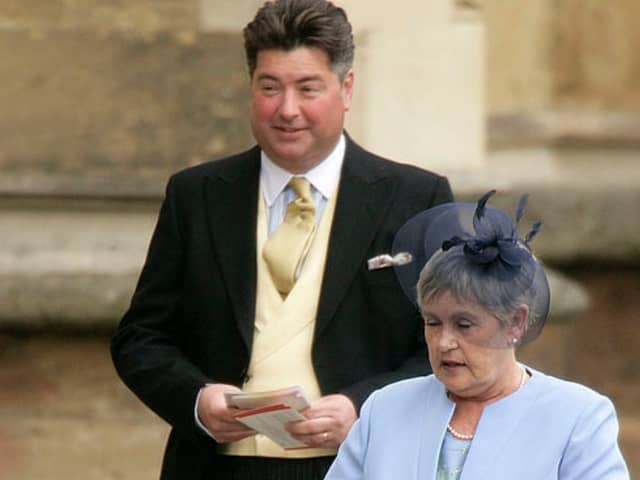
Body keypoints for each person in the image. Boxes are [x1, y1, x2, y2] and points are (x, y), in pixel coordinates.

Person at [110, 0, 453, 478]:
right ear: (251, 88)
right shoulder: (195, 195)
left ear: (346, 88)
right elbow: (141, 339)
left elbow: (452, 343)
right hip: (215, 468)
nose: (287, 110)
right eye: (270, 88)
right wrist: (196, 399)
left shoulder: (418, 197)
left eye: (307, 88)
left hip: (360, 464)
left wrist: (362, 407)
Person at [324, 190, 629, 480]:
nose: (444, 342)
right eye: (432, 322)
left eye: (464, 324)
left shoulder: (577, 416)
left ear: (515, 322)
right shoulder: (386, 408)